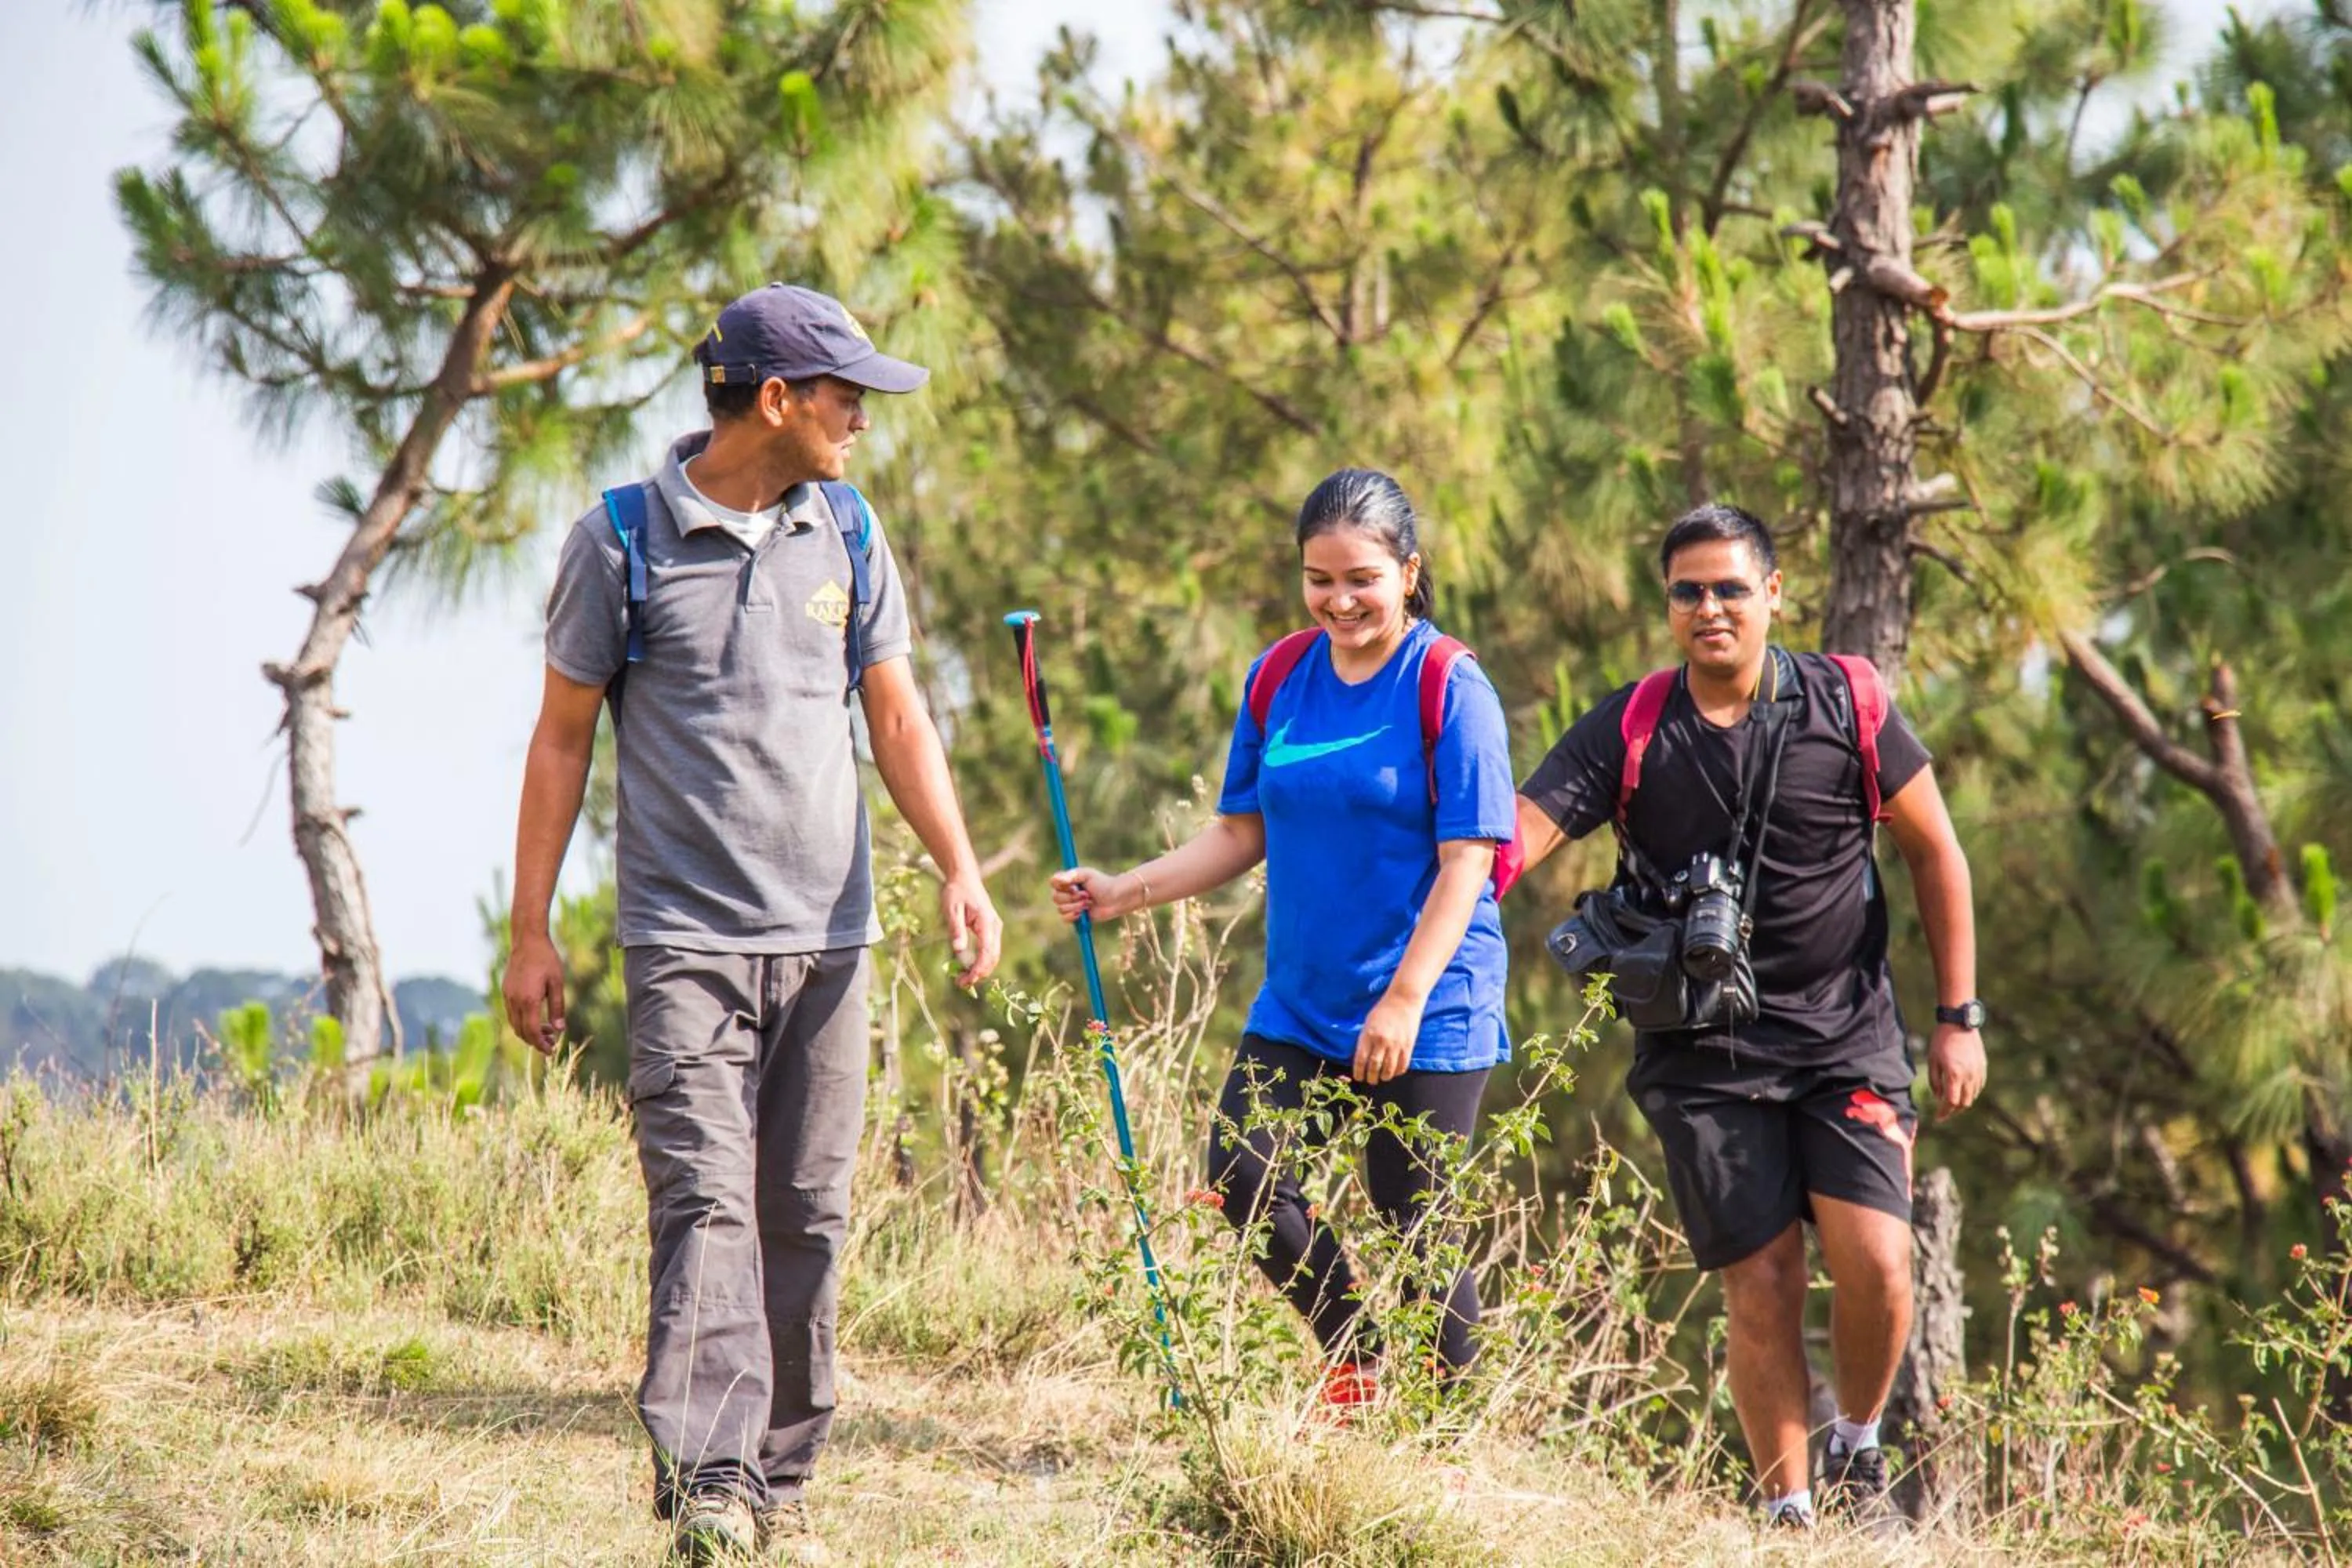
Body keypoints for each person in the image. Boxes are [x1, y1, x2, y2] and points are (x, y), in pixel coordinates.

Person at [502, 283, 1003, 1565]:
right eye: (847, 396)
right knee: (708, 1210)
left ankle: (779, 1483)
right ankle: (711, 1491)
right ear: (776, 399)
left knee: (806, 1214)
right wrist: (532, 931)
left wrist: (958, 868)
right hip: (685, 948)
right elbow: (561, 743)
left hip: (834, 945)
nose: (863, 419)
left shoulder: (844, 527)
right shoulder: (618, 540)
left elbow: (895, 718)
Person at [1515, 502, 1985, 1528]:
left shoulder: (1847, 699)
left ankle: (1859, 1448)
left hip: (1845, 1037)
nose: (1710, 608)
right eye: (1688, 591)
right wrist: (1430, 905)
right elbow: (1512, 841)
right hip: (1700, 1052)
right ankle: (1791, 1518)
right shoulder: (1633, 725)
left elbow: (1934, 851)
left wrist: (1960, 1015)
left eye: (1731, 587)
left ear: (1775, 593)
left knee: (1879, 1261)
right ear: (1668, 605)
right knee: (1762, 1280)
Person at [1052, 468, 1516, 1403]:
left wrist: (1404, 998)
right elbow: (1239, 830)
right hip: (1305, 998)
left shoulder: (1448, 684)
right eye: (1319, 578)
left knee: (1412, 1213)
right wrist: (1119, 891)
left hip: (1426, 999)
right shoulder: (1280, 677)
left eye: (1362, 578)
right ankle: (1358, 1360)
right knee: (1241, 1171)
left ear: (1409, 571)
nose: (1340, 599)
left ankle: (1448, 1438)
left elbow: (1470, 858)